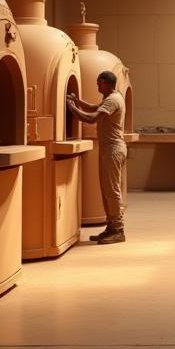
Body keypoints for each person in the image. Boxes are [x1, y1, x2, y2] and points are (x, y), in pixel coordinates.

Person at [66, 70, 127, 245]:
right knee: (107, 190)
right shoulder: (112, 97)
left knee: (112, 190)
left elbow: (92, 118)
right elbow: (94, 108)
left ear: (107, 83)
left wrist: (72, 107)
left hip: (113, 149)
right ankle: (111, 226)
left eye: (99, 83)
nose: (97, 86)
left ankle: (118, 229)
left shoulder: (113, 100)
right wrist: (77, 101)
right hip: (110, 149)